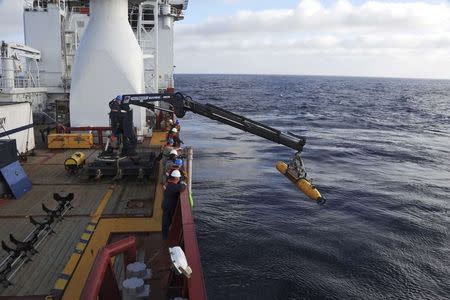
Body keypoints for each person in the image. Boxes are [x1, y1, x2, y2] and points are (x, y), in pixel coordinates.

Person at [161, 169, 186, 239]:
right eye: (178, 178)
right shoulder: (174, 187)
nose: (179, 179)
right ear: (176, 178)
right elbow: (183, 187)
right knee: (167, 221)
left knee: (165, 221)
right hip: (169, 206)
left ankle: (165, 235)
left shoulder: (168, 183)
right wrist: (183, 183)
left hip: (165, 204)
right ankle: (166, 237)